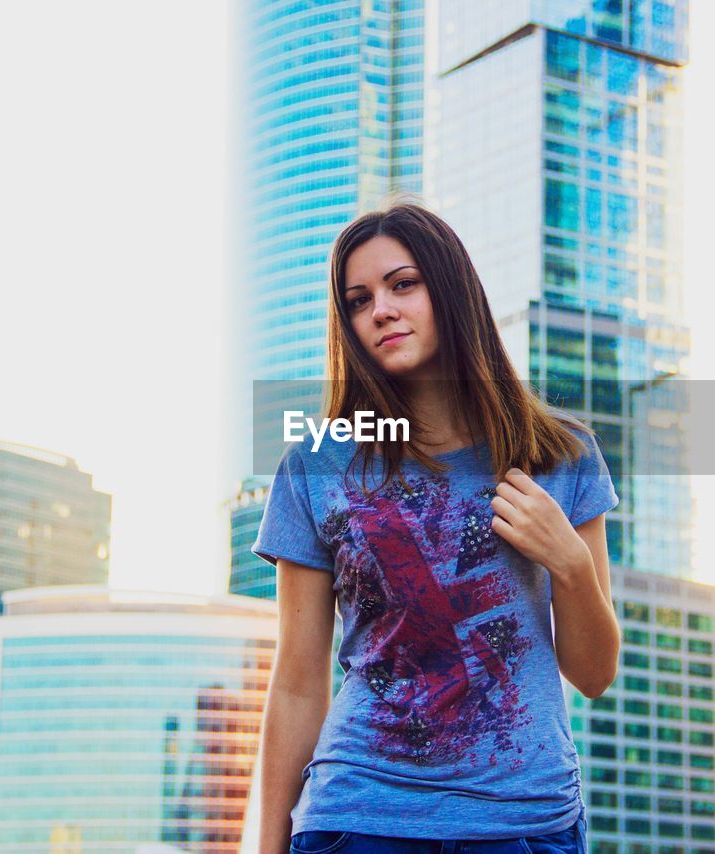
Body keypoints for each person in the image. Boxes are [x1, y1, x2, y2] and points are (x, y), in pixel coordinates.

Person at [252, 201, 620, 854]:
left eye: (402, 284)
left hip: (525, 823)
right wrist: (266, 848)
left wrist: (571, 563)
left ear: (449, 289)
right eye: (359, 300)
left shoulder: (561, 456)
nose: (381, 311)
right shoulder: (318, 462)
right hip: (360, 819)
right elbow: (298, 679)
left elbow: (593, 674)